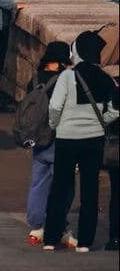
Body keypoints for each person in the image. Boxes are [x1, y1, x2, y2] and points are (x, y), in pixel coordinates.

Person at [43, 30, 120, 252]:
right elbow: (114, 110)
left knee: (60, 187)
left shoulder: (68, 77)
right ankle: (85, 241)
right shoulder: (105, 79)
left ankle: (51, 237)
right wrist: (101, 122)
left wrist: (54, 124)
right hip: (94, 140)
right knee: (90, 190)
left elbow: (55, 106)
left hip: (67, 138)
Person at [25, 41, 76, 248]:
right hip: (59, 138)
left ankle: (36, 226)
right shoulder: (63, 80)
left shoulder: (35, 79)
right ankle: (59, 226)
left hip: (38, 138)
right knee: (64, 186)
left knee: (39, 182)